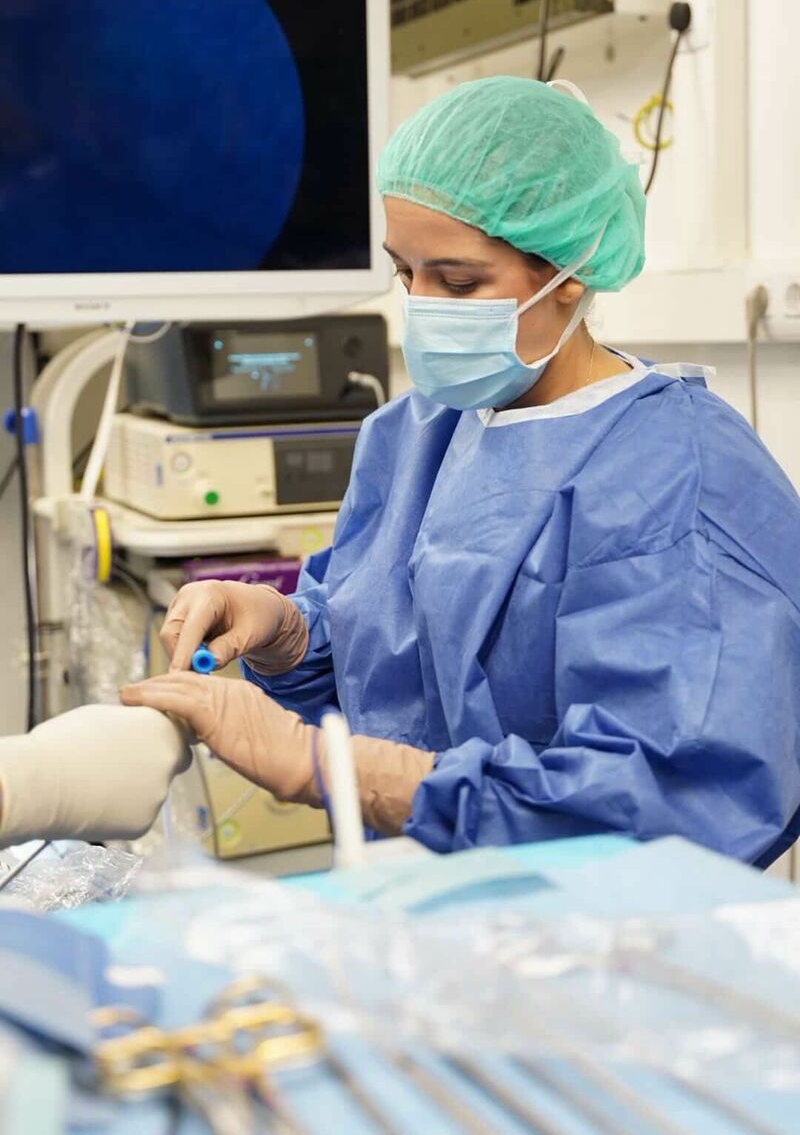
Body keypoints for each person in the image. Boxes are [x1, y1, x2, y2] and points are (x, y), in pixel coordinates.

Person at [3, 77, 799, 863]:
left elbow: (669, 806)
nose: (421, 304)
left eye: (458, 281)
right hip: (433, 893)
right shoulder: (420, 428)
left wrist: (322, 764)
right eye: (404, 272)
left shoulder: (678, 478)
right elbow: (390, 666)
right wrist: (289, 632)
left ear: (573, 270)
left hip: (599, 925)